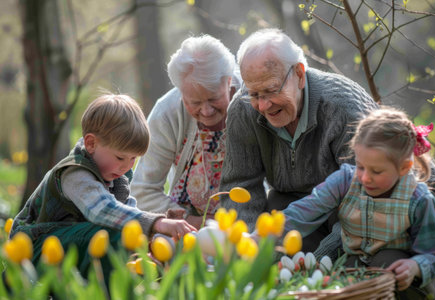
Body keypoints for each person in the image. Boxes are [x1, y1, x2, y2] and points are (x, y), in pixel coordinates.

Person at [219, 28, 378, 251]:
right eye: (254, 94)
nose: (263, 105)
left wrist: (324, 259)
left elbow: (368, 201)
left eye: (271, 90)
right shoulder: (243, 108)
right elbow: (239, 186)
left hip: (356, 211)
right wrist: (246, 249)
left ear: (300, 75)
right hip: (293, 209)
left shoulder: (343, 109)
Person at [10, 93, 196, 281]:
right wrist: (157, 223)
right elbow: (102, 210)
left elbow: (127, 213)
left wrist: (147, 241)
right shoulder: (75, 173)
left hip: (69, 242)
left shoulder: (116, 176)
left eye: (134, 158)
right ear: (91, 143)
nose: (127, 166)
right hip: (32, 248)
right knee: (110, 237)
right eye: (120, 157)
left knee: (124, 236)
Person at [283, 107, 435, 299]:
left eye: (376, 171)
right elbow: (303, 211)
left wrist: (416, 266)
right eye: (360, 166)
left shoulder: (418, 200)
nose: (365, 178)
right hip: (357, 264)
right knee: (346, 268)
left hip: (402, 279)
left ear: (404, 167)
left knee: (386, 262)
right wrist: (262, 235)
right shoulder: (346, 180)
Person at [131, 35, 241, 229]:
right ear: (181, 91)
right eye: (195, 103)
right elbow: (143, 190)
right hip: (185, 225)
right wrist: (191, 222)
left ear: (229, 81)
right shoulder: (166, 113)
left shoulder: (252, 99)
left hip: (247, 220)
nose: (206, 111)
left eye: (214, 99)